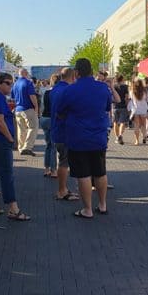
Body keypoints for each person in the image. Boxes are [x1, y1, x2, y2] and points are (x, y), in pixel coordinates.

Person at [54, 58, 112, 219]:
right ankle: (102, 204)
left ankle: (87, 209)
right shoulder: (103, 88)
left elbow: (60, 112)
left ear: (77, 73)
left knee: (84, 175)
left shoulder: (70, 90)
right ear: (92, 71)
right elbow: (107, 108)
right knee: (100, 172)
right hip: (99, 137)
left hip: (78, 138)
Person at [0, 72, 29, 221]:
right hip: (0, 141)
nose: (11, 85)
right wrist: (10, 138)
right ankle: (13, 208)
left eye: (12, 83)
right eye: (8, 83)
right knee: (7, 175)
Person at [50, 67, 79, 201]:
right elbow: (64, 112)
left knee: (63, 160)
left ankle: (64, 189)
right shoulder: (68, 90)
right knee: (64, 162)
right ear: (73, 76)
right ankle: (62, 191)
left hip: (57, 130)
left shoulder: (55, 89)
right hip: (65, 132)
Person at [12, 68, 39, 156]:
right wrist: (36, 106)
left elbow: (12, 97)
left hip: (18, 109)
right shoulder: (28, 83)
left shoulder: (15, 84)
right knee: (33, 127)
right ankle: (27, 147)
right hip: (28, 109)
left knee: (21, 130)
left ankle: (21, 148)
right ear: (26, 73)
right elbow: (32, 95)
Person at [39, 73, 59, 178]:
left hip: (44, 119)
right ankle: (54, 170)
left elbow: (43, 106)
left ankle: (46, 169)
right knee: (53, 146)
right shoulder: (58, 93)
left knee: (48, 145)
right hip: (52, 120)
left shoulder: (46, 92)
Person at [128, 78, 148, 145]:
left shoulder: (132, 91)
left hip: (135, 110)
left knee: (136, 126)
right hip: (143, 110)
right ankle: (144, 137)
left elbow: (130, 99)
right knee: (143, 125)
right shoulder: (145, 91)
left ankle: (137, 141)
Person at [112, 75, 130, 145]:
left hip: (115, 106)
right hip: (123, 106)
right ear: (122, 79)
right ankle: (120, 135)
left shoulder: (114, 86)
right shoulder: (125, 87)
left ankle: (117, 137)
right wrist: (127, 105)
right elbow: (126, 97)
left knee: (115, 122)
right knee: (123, 122)